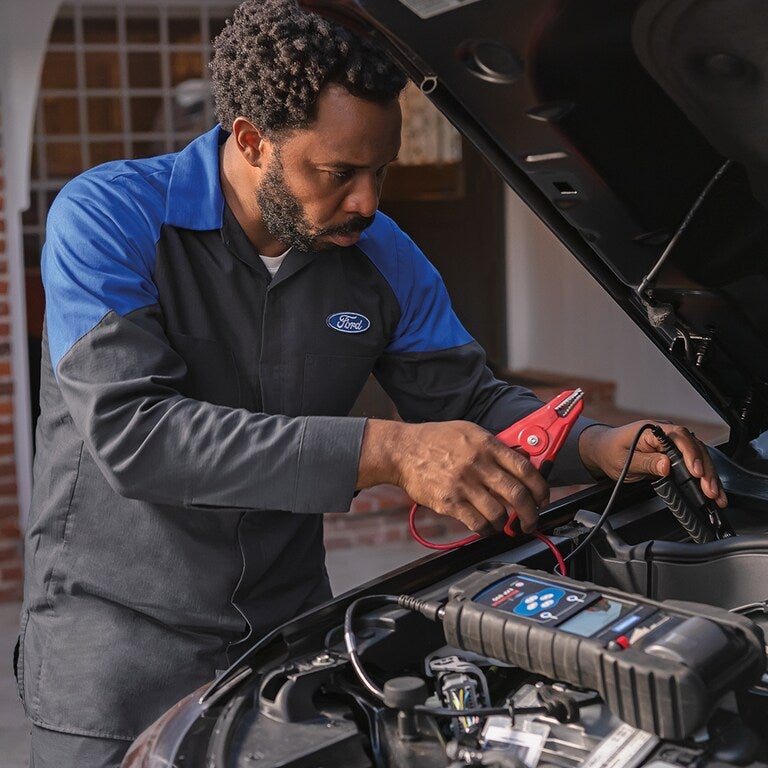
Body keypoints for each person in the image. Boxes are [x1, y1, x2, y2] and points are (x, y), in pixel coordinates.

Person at [16, 0, 726, 765]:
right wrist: (388, 451)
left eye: (380, 169)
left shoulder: (381, 253)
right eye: (339, 172)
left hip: (285, 655)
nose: (368, 201)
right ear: (252, 141)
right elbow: (137, 436)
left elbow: (471, 402)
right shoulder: (110, 219)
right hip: (116, 663)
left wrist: (595, 444)